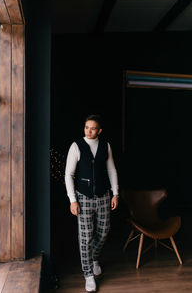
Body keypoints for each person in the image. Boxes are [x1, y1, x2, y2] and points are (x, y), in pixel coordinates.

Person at [65, 114, 119, 292]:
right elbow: (68, 175)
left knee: (103, 232)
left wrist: (115, 193)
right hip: (84, 197)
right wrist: (73, 200)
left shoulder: (106, 145)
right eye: (86, 127)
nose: (89, 131)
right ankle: (88, 274)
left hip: (103, 196)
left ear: (99, 130)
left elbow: (111, 169)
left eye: (93, 128)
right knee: (85, 237)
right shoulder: (76, 146)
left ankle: (94, 257)